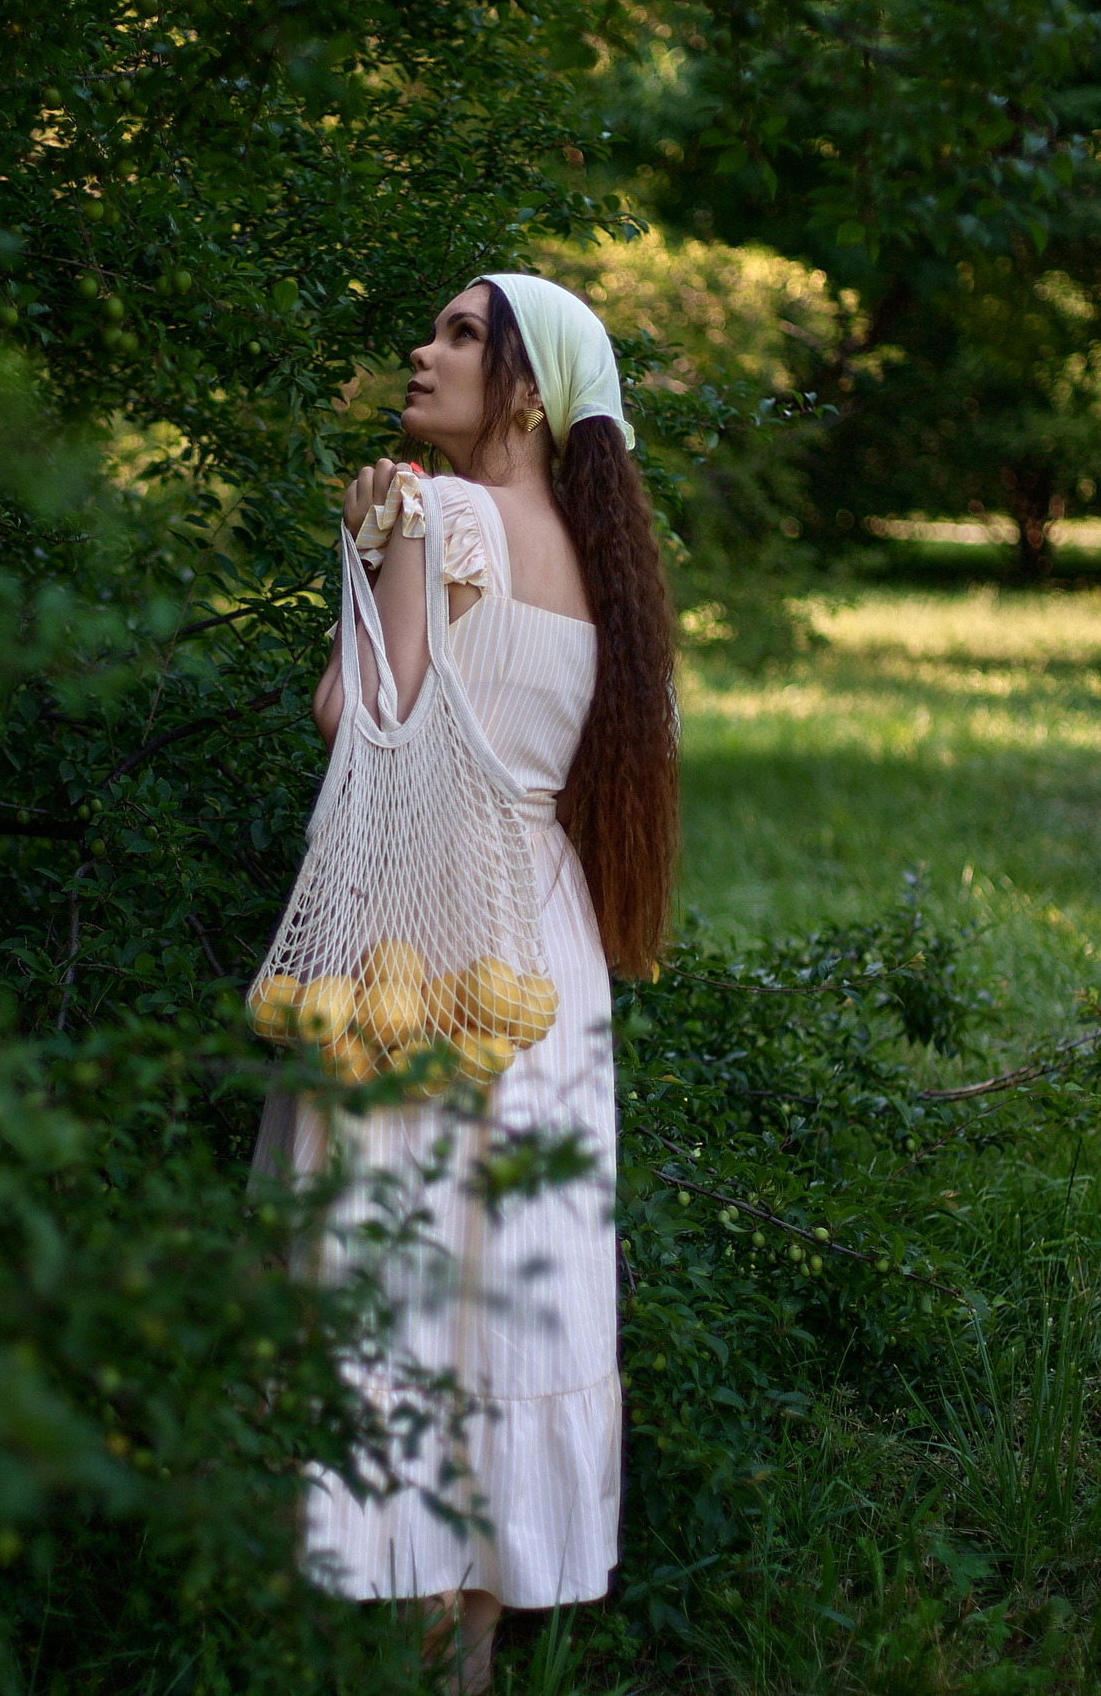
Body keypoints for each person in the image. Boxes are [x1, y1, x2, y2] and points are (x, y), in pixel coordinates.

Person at [284, 274, 679, 1692]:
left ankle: (395, 1632)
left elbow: (356, 725)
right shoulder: (603, 562)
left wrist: (375, 543)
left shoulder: (440, 519)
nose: (423, 349)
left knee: (400, 1284)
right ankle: (470, 1662)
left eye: (462, 335)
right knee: (506, 1286)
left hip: (425, 948)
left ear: (526, 390)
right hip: (549, 960)